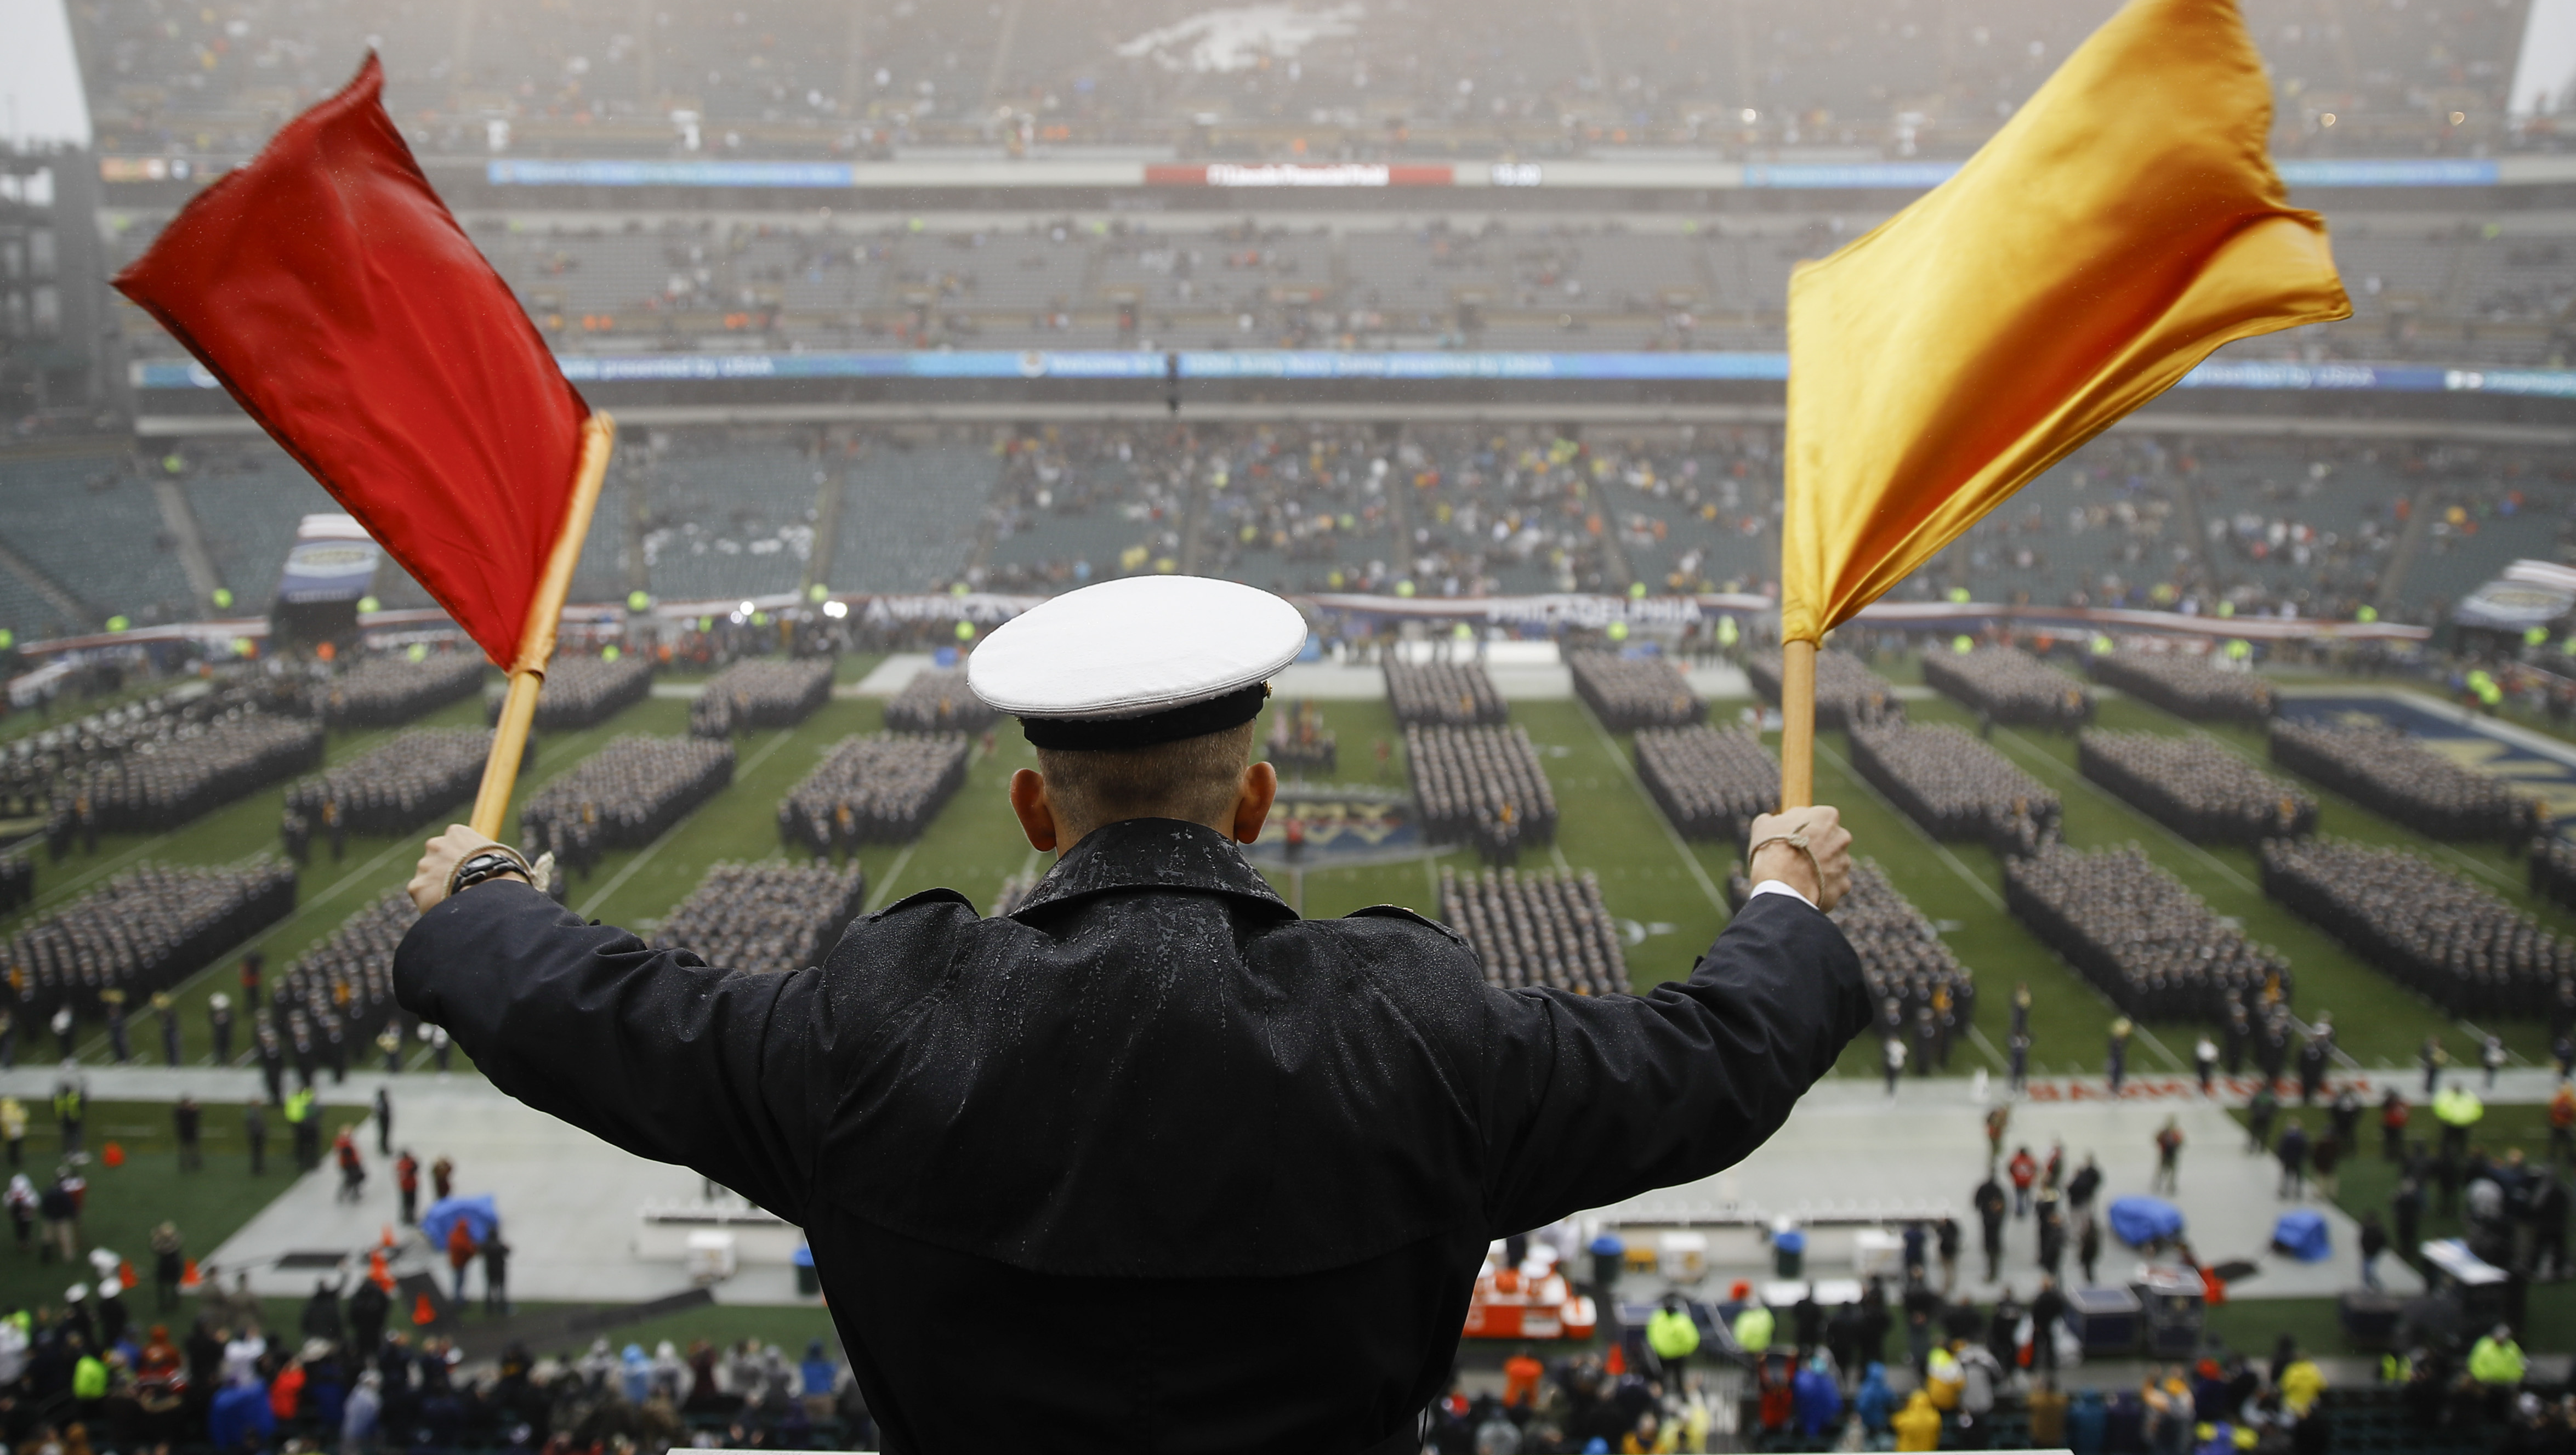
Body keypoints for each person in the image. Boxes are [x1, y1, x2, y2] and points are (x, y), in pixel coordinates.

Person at [395, 575, 1876, 1452]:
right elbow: (1708, 1059)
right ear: (1256, 798)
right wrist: (1782, 891)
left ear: (1035, 807)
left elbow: (601, 1012)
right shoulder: (1411, 1026)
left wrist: (483, 896)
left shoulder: (875, 1023)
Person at [1645, 1294, 1697, 1395]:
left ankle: (1677, 1393)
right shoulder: (1678, 1320)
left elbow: (1691, 1339)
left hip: (1675, 1354)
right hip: (1666, 1354)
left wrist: (1687, 1351)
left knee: (1675, 1376)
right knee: (1666, 1376)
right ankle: (1669, 1393)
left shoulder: (1661, 1318)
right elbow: (1692, 1338)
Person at [2359, 1209, 2389, 1290]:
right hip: (2367, 1253)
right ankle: (2367, 1288)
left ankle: (2379, 1287)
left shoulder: (2377, 1231)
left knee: (2369, 1271)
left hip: (2373, 1253)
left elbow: (2383, 1242)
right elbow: (2362, 1240)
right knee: (2366, 1272)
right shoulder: (2367, 1229)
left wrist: (2377, 1250)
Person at [2152, 1118, 2183, 1193]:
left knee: (2172, 1171)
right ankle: (2159, 1183)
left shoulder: (2176, 1133)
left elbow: (2181, 1142)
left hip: (2172, 1155)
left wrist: (2176, 1144)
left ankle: (2171, 1185)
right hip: (2165, 1154)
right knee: (2162, 1170)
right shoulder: (2164, 1133)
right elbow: (2157, 1140)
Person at [174, 1095, 202, 1172]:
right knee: (187, 1147)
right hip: (187, 1131)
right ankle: (188, 1161)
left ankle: (193, 1161)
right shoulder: (182, 1111)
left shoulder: (181, 1111)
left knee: (192, 1147)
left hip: (189, 1131)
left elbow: (198, 1113)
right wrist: (192, 1108)